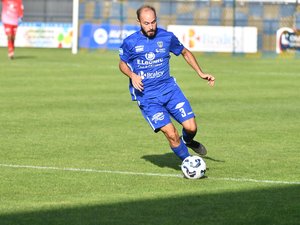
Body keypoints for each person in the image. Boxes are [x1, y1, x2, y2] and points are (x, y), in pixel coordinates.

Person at [118, 5, 215, 161]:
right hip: (147, 97)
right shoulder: (131, 42)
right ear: (139, 22)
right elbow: (122, 64)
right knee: (171, 134)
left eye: (153, 22)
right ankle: (189, 162)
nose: (151, 27)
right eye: (146, 23)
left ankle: (188, 141)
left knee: (191, 127)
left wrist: (200, 72)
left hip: (170, 91)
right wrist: (132, 75)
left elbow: (184, 52)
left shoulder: (166, 37)